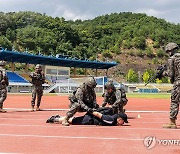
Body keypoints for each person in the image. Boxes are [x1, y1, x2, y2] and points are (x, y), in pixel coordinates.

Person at [163, 43, 179, 129]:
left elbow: (170, 74)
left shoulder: (171, 59)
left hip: (178, 83)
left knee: (174, 102)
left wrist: (163, 73)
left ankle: (172, 122)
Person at [46, 111, 128, 126]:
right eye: (123, 122)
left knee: (73, 119)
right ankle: (54, 119)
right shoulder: (111, 120)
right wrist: (88, 110)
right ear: (119, 119)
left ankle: (57, 118)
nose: (123, 123)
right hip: (89, 119)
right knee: (72, 121)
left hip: (90, 118)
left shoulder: (114, 118)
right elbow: (98, 114)